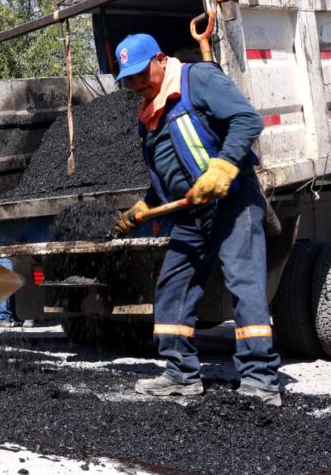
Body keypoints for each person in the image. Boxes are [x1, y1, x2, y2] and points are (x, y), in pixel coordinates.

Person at [111, 33, 282, 406]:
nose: (137, 84)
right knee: (173, 286)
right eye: (129, 79)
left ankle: (260, 379)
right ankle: (180, 374)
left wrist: (222, 166)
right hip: (190, 213)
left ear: (160, 58)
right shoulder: (149, 115)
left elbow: (246, 120)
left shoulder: (197, 79)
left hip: (232, 202)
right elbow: (169, 172)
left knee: (244, 285)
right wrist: (145, 205)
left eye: (142, 74)